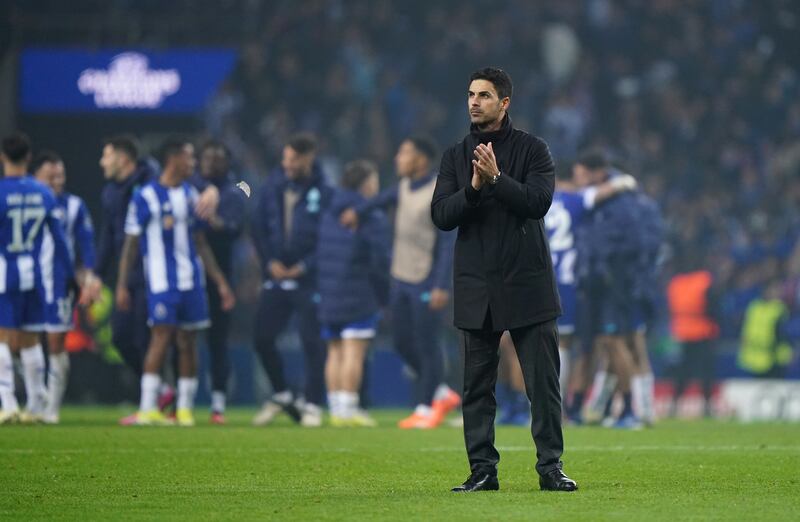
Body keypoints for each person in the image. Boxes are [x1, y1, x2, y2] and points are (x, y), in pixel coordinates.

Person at [431, 67, 576, 493]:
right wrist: (474, 189)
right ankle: (482, 471)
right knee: (476, 389)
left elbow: (538, 203)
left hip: (527, 284)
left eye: (484, 95)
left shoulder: (534, 150)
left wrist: (497, 179)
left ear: (504, 103)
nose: (474, 102)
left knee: (543, 387)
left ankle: (551, 468)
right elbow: (441, 215)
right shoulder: (454, 156)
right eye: (471, 94)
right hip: (477, 286)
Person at [97, 136, 220, 425]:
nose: (193, 163)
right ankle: (147, 406)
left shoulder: (191, 194)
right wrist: (122, 283)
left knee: (188, 341)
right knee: (160, 338)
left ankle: (185, 410)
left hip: (192, 280)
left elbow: (202, 238)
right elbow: (129, 244)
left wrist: (220, 281)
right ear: (173, 159)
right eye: (189, 157)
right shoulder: (146, 196)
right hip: (161, 282)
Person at [339, 136, 460, 430]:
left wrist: (441, 285)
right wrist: (357, 212)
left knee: (428, 344)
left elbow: (447, 242)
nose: (398, 158)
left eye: (404, 153)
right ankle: (442, 394)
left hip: (426, 280)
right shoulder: (403, 188)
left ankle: (423, 407)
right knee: (402, 342)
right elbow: (379, 200)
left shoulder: (438, 192)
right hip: (401, 279)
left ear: (421, 160)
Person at [251, 133, 333, 428]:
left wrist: (304, 266)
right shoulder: (272, 187)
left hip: (309, 279)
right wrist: (269, 262)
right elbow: (258, 227)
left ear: (308, 158)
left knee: (312, 342)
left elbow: (327, 237)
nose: (287, 164)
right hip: (275, 274)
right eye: (285, 158)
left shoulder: (324, 192)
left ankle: (311, 404)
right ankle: (283, 394)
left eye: (293, 159)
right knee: (262, 337)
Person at [0, 133, 74, 424]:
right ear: (29, 158)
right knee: (31, 340)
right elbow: (59, 239)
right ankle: (36, 404)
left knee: (3, 338)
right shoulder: (43, 193)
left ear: (3, 158)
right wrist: (69, 274)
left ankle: (7, 403)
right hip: (35, 275)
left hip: (5, 273)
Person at [318, 160, 390, 427]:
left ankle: (336, 409)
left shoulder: (328, 212)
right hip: (359, 291)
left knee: (334, 351)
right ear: (366, 183)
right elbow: (379, 259)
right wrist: (383, 295)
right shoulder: (371, 216)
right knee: (353, 352)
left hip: (329, 291)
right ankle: (348, 409)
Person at [32, 151, 101, 424]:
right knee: (18, 343)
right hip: (25, 281)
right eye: (51, 177)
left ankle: (51, 407)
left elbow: (86, 243)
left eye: (60, 176)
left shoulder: (73, 206)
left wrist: (90, 275)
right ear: (36, 177)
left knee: (56, 343)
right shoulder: (23, 202)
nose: (57, 181)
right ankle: (33, 398)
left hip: (60, 283)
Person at [189, 140, 246, 424]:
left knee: (218, 341)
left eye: (218, 159)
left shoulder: (239, 187)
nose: (212, 163)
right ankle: (177, 399)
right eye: (207, 158)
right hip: (188, 274)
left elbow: (239, 217)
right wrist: (207, 188)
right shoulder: (190, 185)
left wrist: (218, 221)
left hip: (222, 273)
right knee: (182, 338)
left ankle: (218, 403)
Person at [667, 253, 720, 417]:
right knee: (705, 373)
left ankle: (674, 406)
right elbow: (713, 306)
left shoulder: (675, 283)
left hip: (680, 332)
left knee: (682, 373)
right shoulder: (704, 281)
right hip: (702, 331)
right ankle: (707, 407)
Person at [738, 279, 793, 379]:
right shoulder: (754, 307)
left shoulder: (780, 309)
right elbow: (746, 328)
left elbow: (784, 334)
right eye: (774, 289)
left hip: (775, 358)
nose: (776, 292)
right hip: (754, 357)